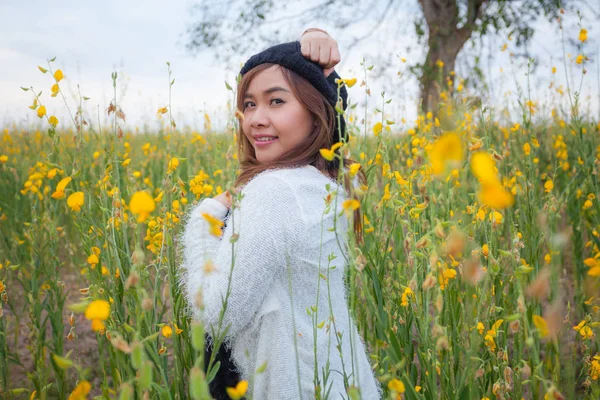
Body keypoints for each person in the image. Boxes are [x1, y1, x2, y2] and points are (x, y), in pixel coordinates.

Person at [178, 27, 381, 400]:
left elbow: (218, 316)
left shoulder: (277, 191)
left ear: (316, 111)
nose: (255, 118)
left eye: (276, 101)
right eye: (250, 104)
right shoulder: (323, 188)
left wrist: (203, 222)